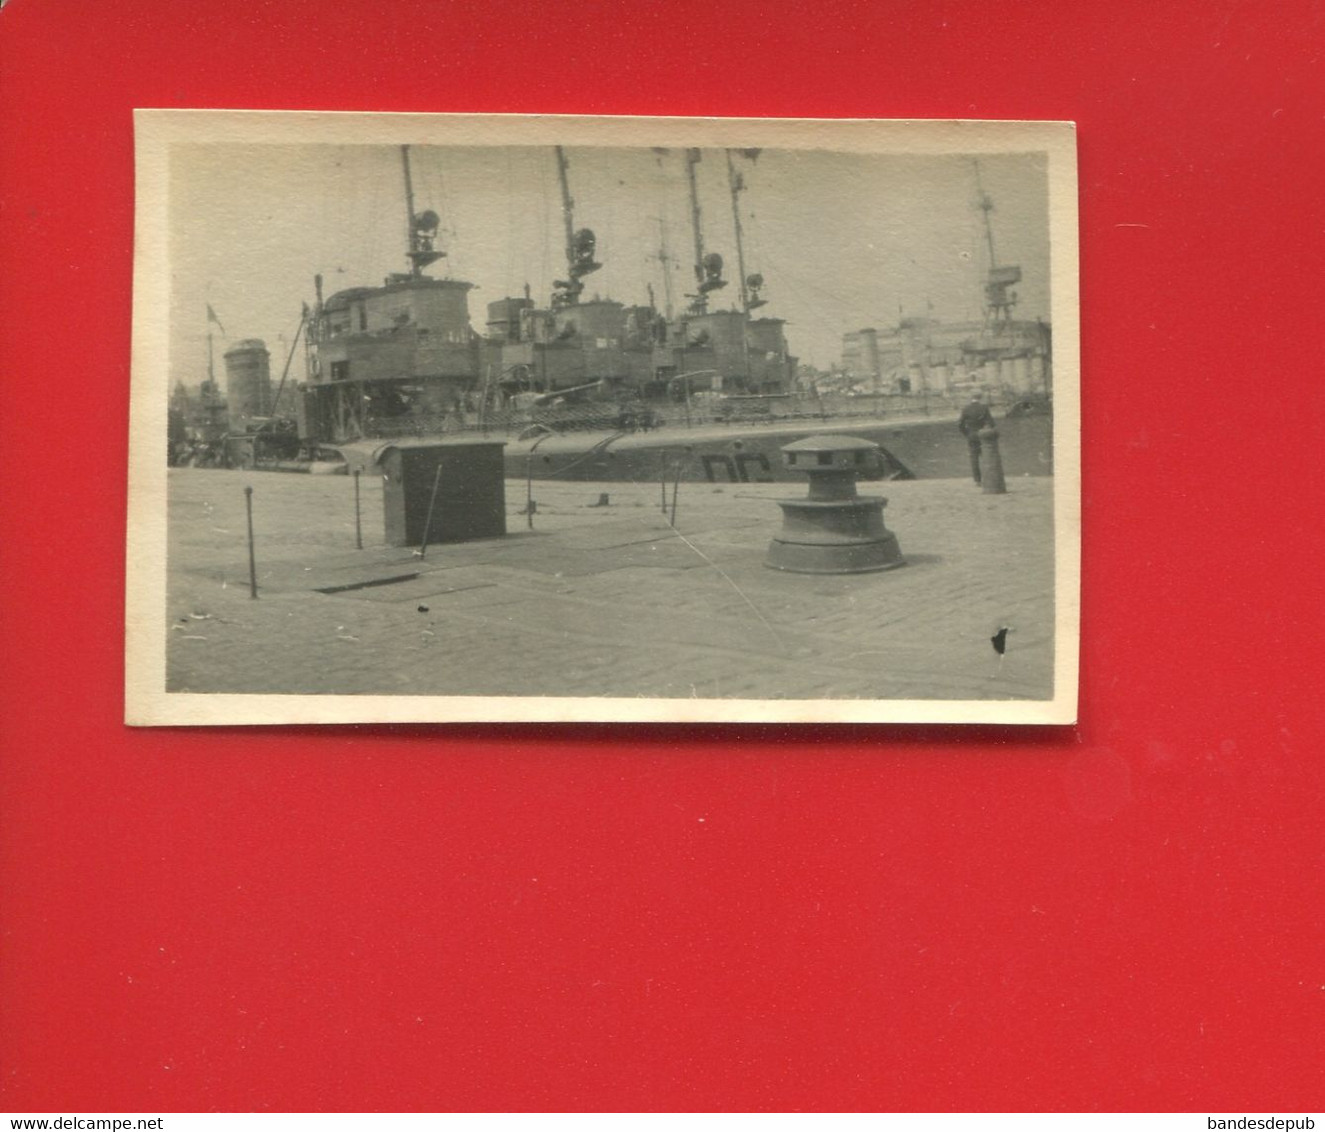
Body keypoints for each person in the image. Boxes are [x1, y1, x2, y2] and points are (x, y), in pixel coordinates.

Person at [958, 392, 996, 484]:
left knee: (974, 458)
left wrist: (967, 433)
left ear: (971, 398)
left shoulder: (965, 409)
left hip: (971, 435)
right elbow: (991, 422)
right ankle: (989, 477)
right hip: (983, 435)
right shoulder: (984, 408)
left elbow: (960, 424)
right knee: (987, 456)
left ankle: (977, 480)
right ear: (980, 398)